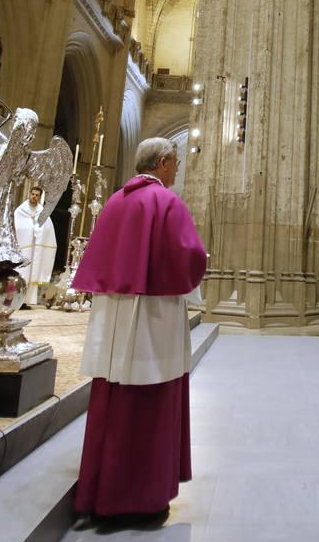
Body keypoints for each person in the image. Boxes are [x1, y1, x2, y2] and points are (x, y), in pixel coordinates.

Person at [70, 138, 207, 528]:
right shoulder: (166, 202)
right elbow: (191, 256)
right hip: (154, 318)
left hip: (114, 316)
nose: (176, 170)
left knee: (114, 398)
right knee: (151, 399)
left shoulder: (115, 201)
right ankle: (143, 500)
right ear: (163, 162)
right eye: (175, 163)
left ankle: (102, 494)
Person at [15, 186, 58, 308]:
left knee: (31, 275)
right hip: (23, 248)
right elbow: (16, 226)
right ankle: (15, 301)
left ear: (40, 197)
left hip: (35, 250)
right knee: (21, 273)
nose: (34, 197)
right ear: (29, 194)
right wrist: (30, 228)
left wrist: (37, 230)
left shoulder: (42, 212)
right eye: (32, 194)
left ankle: (26, 301)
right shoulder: (21, 210)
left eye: (37, 195)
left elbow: (47, 229)